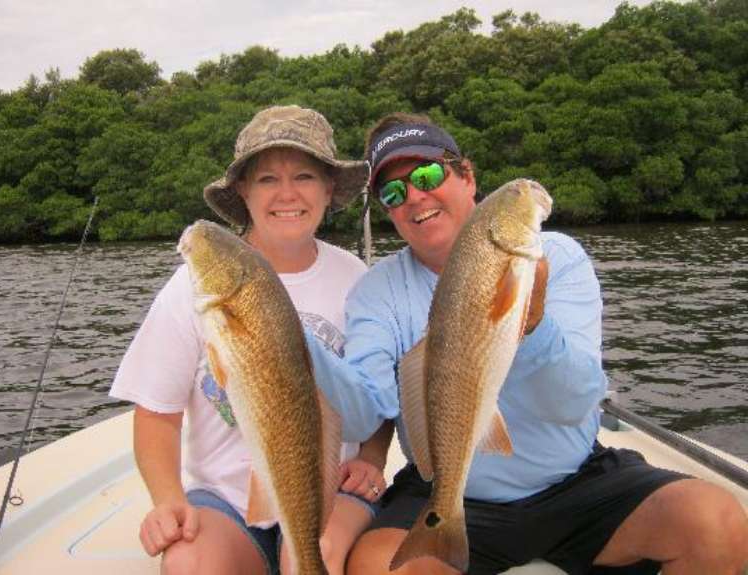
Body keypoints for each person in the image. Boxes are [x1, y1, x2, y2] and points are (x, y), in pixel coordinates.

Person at [305, 112, 748, 574]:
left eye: (428, 174)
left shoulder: (556, 257)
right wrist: (296, 341)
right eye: (393, 193)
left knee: (716, 524)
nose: (415, 196)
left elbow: (574, 404)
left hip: (576, 483)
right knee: (377, 568)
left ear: (467, 176)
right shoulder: (377, 291)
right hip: (452, 491)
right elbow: (366, 406)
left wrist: (533, 326)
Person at [109, 105, 390, 575]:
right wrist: (167, 500)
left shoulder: (357, 278)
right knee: (188, 565)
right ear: (242, 190)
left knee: (314, 555)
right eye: (265, 180)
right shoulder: (190, 287)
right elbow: (157, 412)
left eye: (303, 176)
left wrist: (371, 458)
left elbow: (379, 393)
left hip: (330, 489)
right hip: (228, 501)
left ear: (326, 189)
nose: (286, 194)